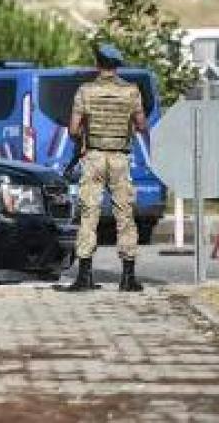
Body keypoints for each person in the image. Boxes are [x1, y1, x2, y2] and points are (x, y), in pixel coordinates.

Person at [65, 43, 148, 292]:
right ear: (118, 65)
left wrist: (83, 137)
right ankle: (127, 277)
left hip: (93, 157)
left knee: (89, 213)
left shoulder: (85, 91)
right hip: (120, 158)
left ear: (97, 64)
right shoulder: (131, 92)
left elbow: (72, 129)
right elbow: (141, 124)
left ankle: (84, 276)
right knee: (124, 214)